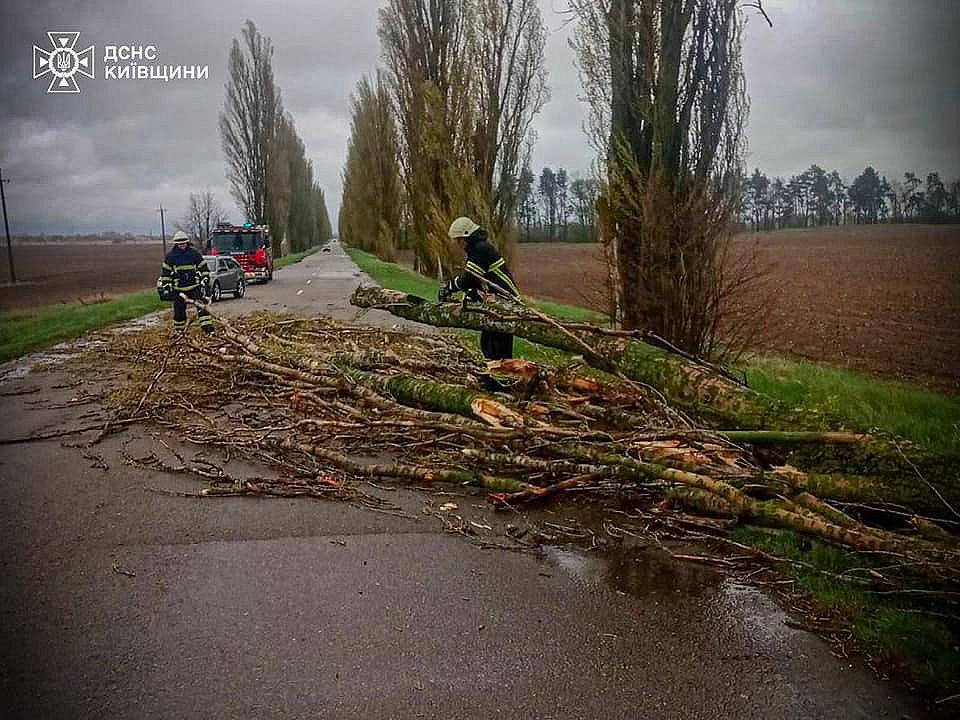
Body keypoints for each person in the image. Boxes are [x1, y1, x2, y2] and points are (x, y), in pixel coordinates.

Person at [439, 216, 520, 361]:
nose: (457, 244)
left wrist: (449, 287)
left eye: (457, 240)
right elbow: (479, 280)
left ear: (465, 238)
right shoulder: (478, 248)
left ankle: (500, 380)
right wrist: (473, 294)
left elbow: (469, 278)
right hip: (496, 301)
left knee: (497, 347)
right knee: (488, 344)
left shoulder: (480, 249)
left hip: (505, 302)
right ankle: (493, 377)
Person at [160, 231, 214, 334]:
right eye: (180, 244)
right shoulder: (171, 257)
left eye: (184, 243)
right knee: (179, 311)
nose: (182, 246)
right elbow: (166, 273)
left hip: (195, 286)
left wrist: (205, 279)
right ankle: (179, 331)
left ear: (187, 243)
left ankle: (208, 329)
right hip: (179, 289)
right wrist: (166, 285)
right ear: (176, 244)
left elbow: (204, 268)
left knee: (202, 307)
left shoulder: (194, 254)